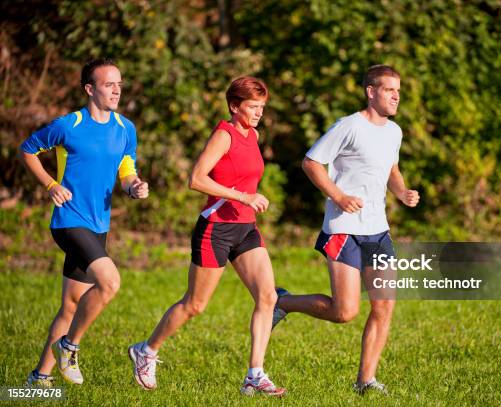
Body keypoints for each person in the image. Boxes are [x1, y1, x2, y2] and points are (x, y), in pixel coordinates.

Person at [128, 76, 285, 397]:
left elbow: (242, 177)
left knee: (267, 297)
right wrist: (242, 196)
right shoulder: (224, 135)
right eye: (253, 107)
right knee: (195, 305)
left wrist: (250, 197)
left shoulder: (252, 135)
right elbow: (196, 179)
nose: (259, 113)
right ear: (234, 106)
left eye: (262, 107)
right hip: (215, 230)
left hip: (246, 228)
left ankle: (255, 374)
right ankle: (147, 350)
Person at [272, 65, 420, 394]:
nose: (396, 95)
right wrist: (337, 195)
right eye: (389, 89)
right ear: (370, 91)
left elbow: (391, 168)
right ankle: (283, 302)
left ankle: (365, 381)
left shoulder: (394, 131)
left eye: (399, 90)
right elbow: (311, 162)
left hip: (377, 230)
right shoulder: (349, 126)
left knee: (384, 306)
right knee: (345, 312)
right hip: (344, 229)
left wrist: (402, 192)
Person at [21, 58, 149, 387]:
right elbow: (28, 150)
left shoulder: (125, 129)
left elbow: (126, 169)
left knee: (71, 304)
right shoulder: (69, 125)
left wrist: (133, 186)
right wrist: (51, 185)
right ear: (90, 89)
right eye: (109, 84)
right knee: (109, 283)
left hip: (98, 224)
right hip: (68, 220)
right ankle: (69, 346)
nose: (117, 90)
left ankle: (38, 380)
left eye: (119, 84)